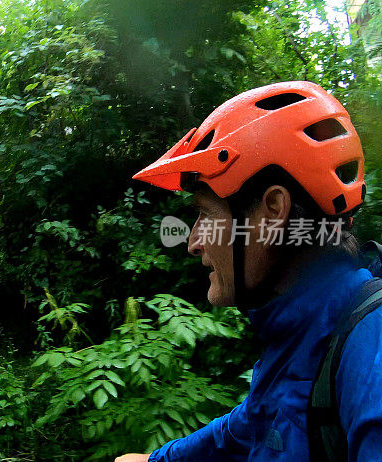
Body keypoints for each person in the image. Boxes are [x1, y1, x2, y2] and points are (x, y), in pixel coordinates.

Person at [115, 81, 382, 461]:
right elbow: (246, 427)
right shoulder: (297, 335)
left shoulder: (369, 348)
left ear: (273, 212)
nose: (193, 242)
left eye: (206, 214)